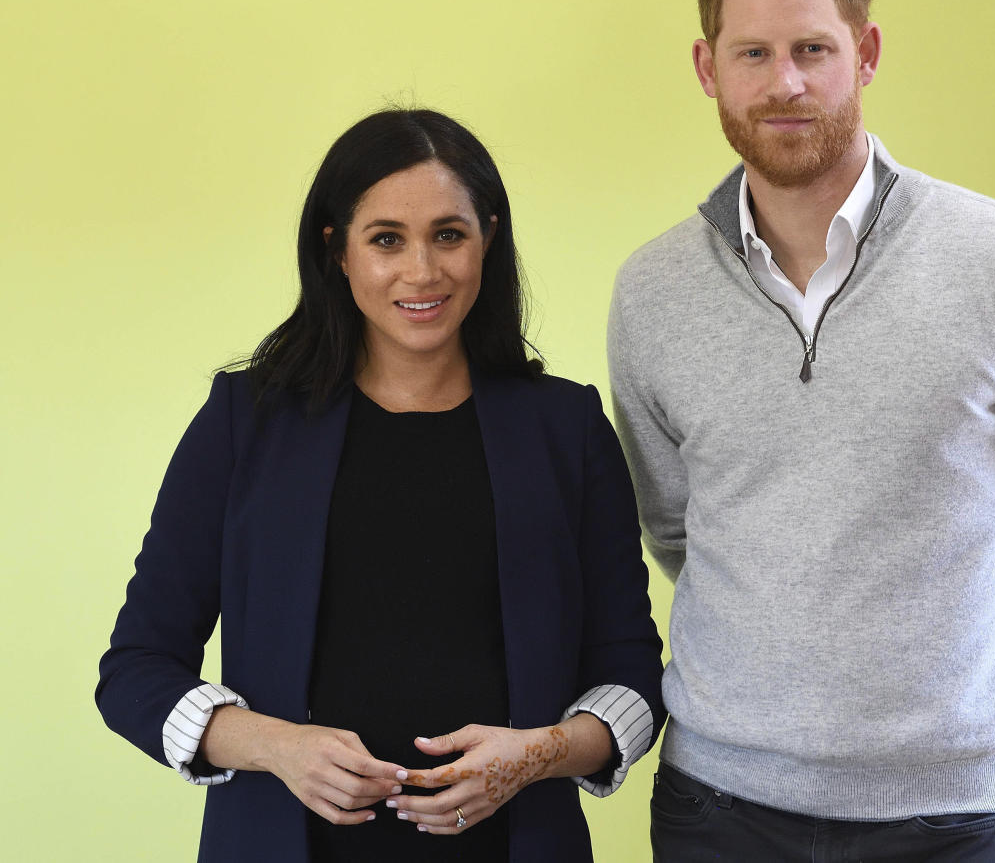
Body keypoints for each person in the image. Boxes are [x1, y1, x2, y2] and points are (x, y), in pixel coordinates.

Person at [608, 0, 995, 862]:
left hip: (948, 816)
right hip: (716, 809)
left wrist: (964, 674)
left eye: (813, 48)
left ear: (867, 51)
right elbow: (678, 528)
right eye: (753, 53)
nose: (786, 83)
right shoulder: (652, 292)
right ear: (706, 67)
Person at [98, 108, 665, 863]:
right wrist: (277, 747)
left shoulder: (566, 428)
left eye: (449, 235)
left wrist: (534, 757)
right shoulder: (247, 421)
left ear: (487, 240)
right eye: (386, 239)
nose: (422, 271)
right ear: (336, 251)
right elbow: (135, 671)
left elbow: (630, 678)